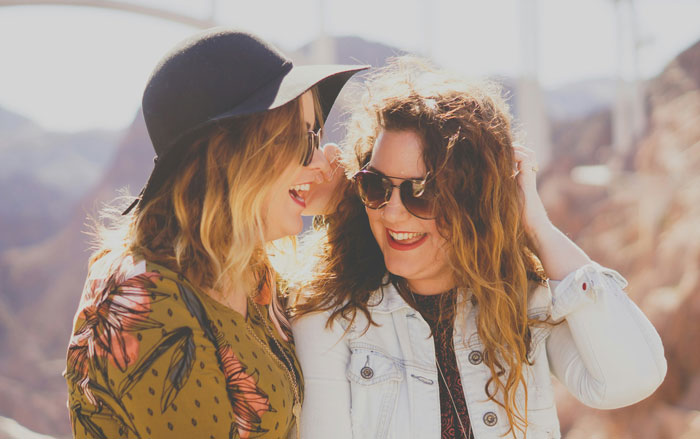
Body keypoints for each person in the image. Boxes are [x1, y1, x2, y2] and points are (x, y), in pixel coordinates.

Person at [291, 57, 667, 439]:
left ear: (472, 199)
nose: (392, 212)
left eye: (421, 191)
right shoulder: (331, 317)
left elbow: (630, 379)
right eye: (376, 186)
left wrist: (536, 225)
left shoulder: (521, 300)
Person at [63, 28, 366, 439]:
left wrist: (347, 207)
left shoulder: (251, 272)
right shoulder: (144, 300)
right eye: (302, 139)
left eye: (317, 137)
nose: (320, 162)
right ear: (231, 155)